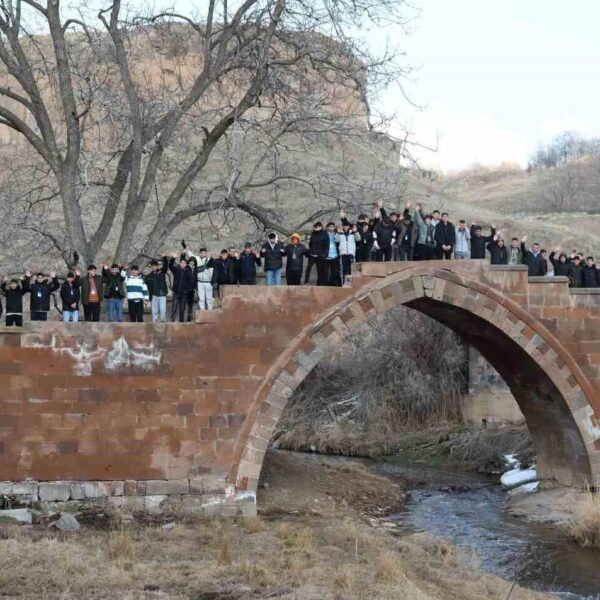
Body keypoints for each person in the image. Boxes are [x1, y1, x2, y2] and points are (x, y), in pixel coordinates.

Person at [169, 255, 194, 322]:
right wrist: (173, 258)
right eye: (181, 263)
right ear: (179, 263)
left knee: (182, 309)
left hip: (184, 293)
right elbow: (170, 266)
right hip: (176, 292)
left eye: (184, 263)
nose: (183, 264)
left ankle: (181, 322)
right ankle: (172, 321)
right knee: (174, 308)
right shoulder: (176, 270)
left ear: (186, 264)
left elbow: (190, 282)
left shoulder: (189, 271)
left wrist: (187, 291)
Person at [144, 257, 169, 322]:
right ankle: (154, 323)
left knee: (162, 309)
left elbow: (166, 266)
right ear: (151, 267)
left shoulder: (161, 272)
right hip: (154, 295)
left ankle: (162, 321)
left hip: (162, 295)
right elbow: (146, 284)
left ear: (157, 266)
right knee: (154, 311)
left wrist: (164, 258)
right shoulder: (149, 276)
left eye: (155, 266)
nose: (153, 267)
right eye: (152, 266)